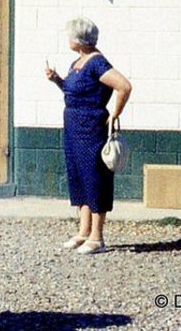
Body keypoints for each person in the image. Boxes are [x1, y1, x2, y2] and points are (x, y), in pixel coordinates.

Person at [45, 17, 132, 254]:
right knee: (79, 176)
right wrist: (57, 81)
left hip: (91, 127)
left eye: (70, 35)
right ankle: (83, 232)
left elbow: (124, 86)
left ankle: (97, 236)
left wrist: (115, 114)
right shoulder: (78, 62)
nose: (68, 39)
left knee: (95, 177)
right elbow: (73, 92)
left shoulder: (97, 62)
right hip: (73, 125)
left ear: (80, 39)